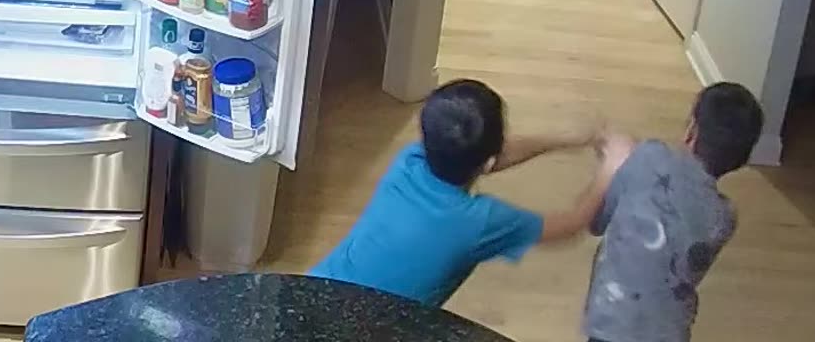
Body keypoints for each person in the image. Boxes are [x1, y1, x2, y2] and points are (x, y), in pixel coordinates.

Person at [309, 78, 624, 305]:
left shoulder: (410, 160)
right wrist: (611, 169)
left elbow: (490, 157)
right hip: (372, 329)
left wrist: (564, 140)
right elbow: (572, 225)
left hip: (313, 292)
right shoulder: (479, 222)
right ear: (488, 161)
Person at [584, 82, 764, 342]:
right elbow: (689, 268)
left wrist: (611, 168)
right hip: (669, 333)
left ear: (692, 131)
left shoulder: (649, 156)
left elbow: (596, 222)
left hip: (611, 322)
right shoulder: (724, 217)